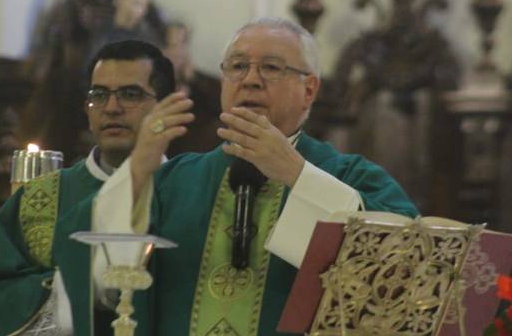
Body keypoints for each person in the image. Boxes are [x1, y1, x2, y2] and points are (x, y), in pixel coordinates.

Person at [92, 18, 419, 336]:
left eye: (272, 68)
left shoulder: (352, 177)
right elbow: (103, 280)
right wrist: (138, 168)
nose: (250, 79)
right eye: (237, 66)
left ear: (309, 90)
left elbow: (404, 273)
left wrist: (297, 175)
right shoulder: (173, 180)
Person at [0, 40, 177, 336]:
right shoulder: (38, 199)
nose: (112, 108)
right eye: (99, 95)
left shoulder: (189, 191)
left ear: (164, 106)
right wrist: (83, 288)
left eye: (130, 94)